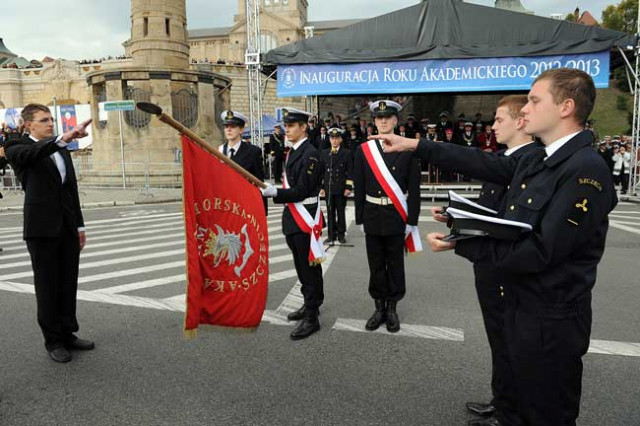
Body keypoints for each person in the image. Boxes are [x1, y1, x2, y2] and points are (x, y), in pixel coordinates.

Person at [374, 68, 616, 426]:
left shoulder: (586, 170)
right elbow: (484, 163)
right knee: (518, 406)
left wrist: (463, 244)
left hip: (550, 322)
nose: (526, 110)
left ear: (566, 107)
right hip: (522, 307)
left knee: (546, 414)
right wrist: (416, 144)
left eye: (534, 100)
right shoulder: (541, 157)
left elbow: (542, 250)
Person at [433, 95, 541, 426]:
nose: (492, 127)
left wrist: (458, 241)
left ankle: (510, 413)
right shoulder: (507, 158)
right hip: (489, 264)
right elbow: (491, 214)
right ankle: (502, 401)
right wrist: (456, 218)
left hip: (503, 266)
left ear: (520, 122)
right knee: (498, 339)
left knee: (508, 341)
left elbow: (508, 225)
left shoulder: (529, 161)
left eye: (499, 120)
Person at [4, 103, 94, 363]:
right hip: (41, 229)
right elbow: (32, 155)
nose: (50, 124)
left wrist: (80, 226)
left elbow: (70, 190)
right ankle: (53, 340)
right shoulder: (15, 147)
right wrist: (63, 138)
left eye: (51, 120)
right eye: (44, 120)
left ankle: (68, 333)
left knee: (68, 282)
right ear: (28, 124)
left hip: (66, 226)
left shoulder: (61, 149)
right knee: (47, 286)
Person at [354, 100, 421, 333]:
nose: (383, 121)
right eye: (379, 118)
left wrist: (411, 221)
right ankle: (378, 307)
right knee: (375, 265)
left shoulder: (408, 150)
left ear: (395, 121)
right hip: (372, 214)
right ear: (374, 122)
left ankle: (392, 308)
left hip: (396, 216)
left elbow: (414, 189)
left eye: (388, 117)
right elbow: (360, 186)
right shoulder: (363, 151)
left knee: (395, 264)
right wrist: (360, 219)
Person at [260, 108, 325, 340]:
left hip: (305, 217)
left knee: (310, 269)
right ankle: (309, 306)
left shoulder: (311, 154)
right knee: (301, 267)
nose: (286, 129)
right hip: (293, 218)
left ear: (303, 127)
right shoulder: (293, 151)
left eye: (291, 125)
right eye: (285, 125)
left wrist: (275, 192)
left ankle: (312, 317)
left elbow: (301, 191)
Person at [219, 110, 267, 214]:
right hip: (226, 206)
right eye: (226, 127)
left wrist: (262, 212)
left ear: (241, 130)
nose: (229, 130)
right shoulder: (219, 151)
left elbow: (259, 182)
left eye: (233, 126)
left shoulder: (253, 151)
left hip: (245, 205)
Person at [320, 128, 353, 244]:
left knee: (340, 212)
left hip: (341, 187)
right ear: (329, 140)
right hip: (329, 188)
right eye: (332, 138)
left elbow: (350, 171)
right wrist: (322, 188)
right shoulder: (324, 153)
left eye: (336, 138)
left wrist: (348, 188)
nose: (334, 141)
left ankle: (341, 234)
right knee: (330, 212)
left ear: (340, 139)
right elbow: (322, 172)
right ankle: (331, 235)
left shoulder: (346, 153)